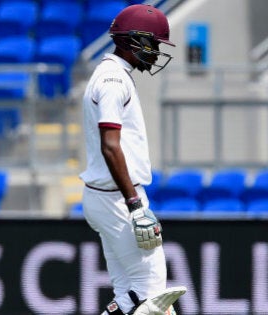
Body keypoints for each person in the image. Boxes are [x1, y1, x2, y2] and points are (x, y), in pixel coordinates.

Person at [79, 4, 185, 315]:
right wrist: (135, 205)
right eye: (152, 44)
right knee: (151, 298)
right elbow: (110, 146)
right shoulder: (113, 81)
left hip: (108, 198)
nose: (155, 53)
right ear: (133, 40)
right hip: (117, 200)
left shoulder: (112, 75)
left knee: (130, 295)